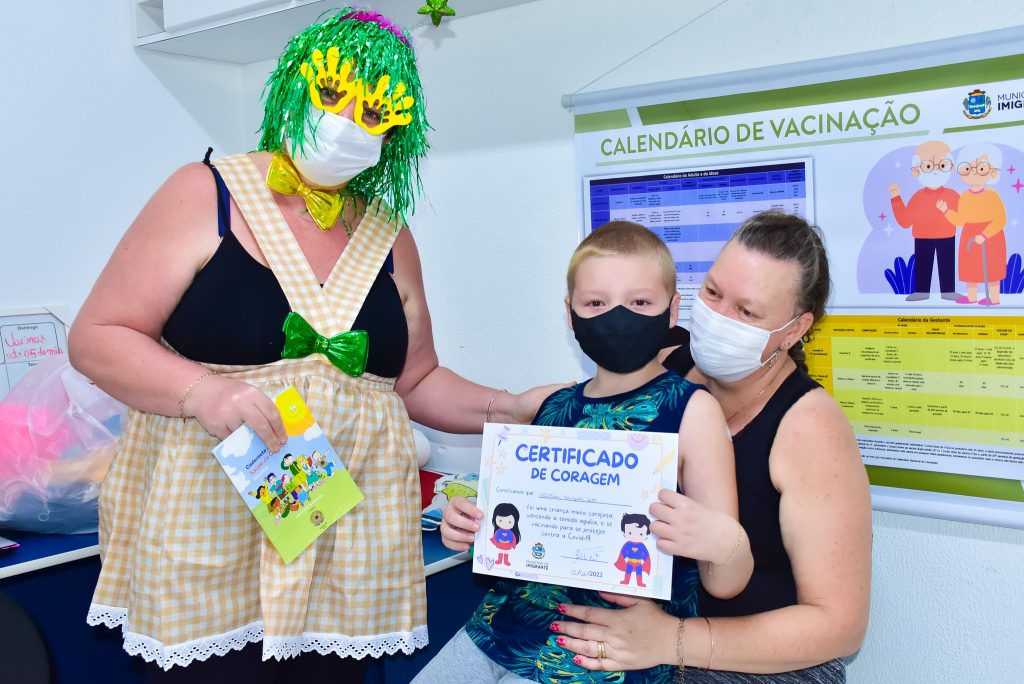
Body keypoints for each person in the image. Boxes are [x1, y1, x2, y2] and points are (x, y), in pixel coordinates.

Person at [68, 8, 554, 681]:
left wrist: (512, 407)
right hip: (210, 531)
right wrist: (202, 391)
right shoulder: (206, 193)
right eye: (331, 94)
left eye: (374, 111)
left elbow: (413, 382)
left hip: (342, 548)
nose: (347, 122)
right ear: (293, 88)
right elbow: (97, 337)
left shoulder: (388, 231)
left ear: (396, 129)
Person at [413, 221, 753, 684]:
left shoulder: (693, 412)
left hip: (604, 651)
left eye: (640, 302)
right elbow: (516, 528)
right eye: (596, 303)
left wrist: (724, 542)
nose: (618, 317)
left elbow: (725, 580)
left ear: (673, 310)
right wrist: (471, 525)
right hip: (502, 626)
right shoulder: (551, 407)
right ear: (570, 313)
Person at [552, 211, 871, 682]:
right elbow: (573, 413)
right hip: (639, 637)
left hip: (755, 665)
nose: (718, 317)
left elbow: (840, 627)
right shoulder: (664, 363)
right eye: (713, 292)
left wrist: (671, 639)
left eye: (746, 312)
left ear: (794, 329)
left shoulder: (809, 426)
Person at [888, 139, 962, 301]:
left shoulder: (953, 195)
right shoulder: (918, 197)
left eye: (941, 165)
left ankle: (948, 291)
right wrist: (896, 198)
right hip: (922, 238)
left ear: (950, 167)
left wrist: (947, 211)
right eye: (928, 166)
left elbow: (961, 219)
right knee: (923, 264)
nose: (935, 171)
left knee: (947, 264)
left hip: (947, 237)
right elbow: (905, 221)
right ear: (917, 171)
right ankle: (922, 292)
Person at [936, 143, 1008, 306]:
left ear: (992, 171)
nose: (974, 173)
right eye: (968, 169)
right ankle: (972, 296)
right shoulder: (965, 197)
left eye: (981, 168)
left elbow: (1001, 219)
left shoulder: (992, 195)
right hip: (969, 234)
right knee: (970, 268)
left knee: (992, 268)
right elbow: (961, 220)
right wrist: (946, 211)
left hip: (991, 236)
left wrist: (984, 235)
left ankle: (994, 297)